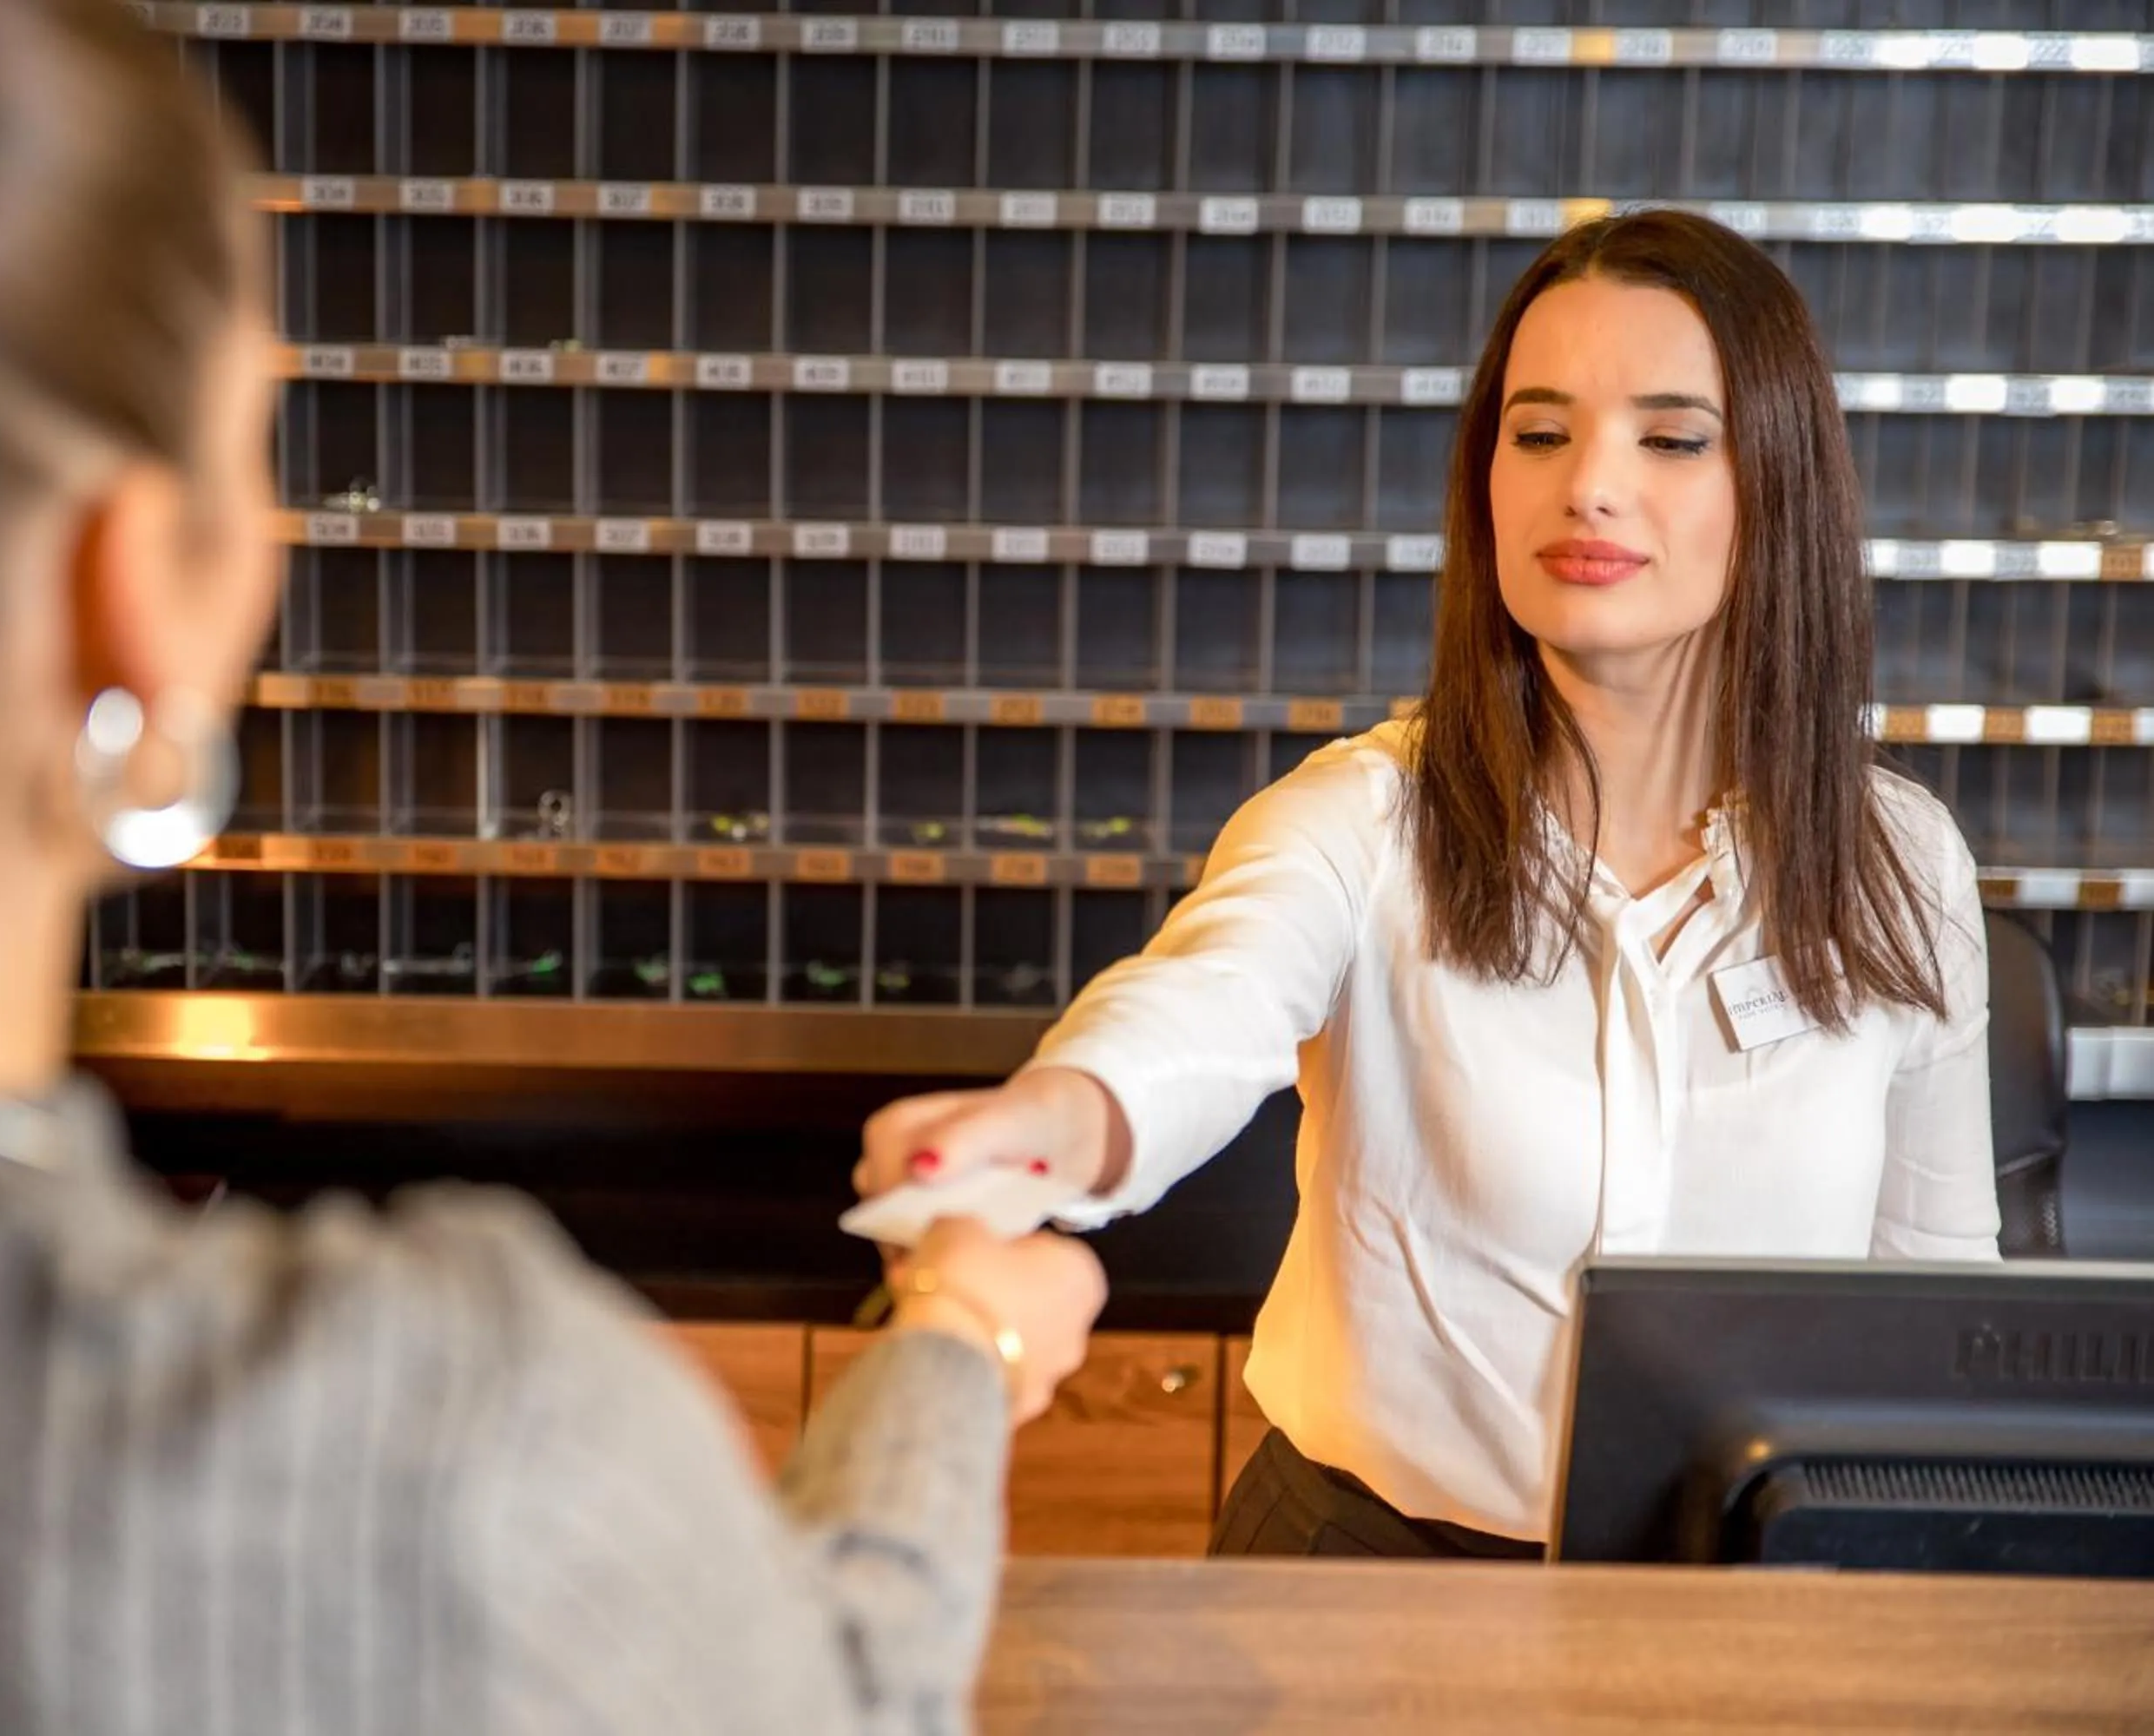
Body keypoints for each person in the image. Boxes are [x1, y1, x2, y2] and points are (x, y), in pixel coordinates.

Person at [0, 2, 1105, 1731]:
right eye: (256, 442)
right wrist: (962, 1339)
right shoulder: (429, 1443)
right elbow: (846, 1699)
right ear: (125, 589)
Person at [857, 210, 2000, 1561]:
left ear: (1782, 483)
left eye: (1671, 437)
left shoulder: (1901, 862)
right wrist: (1048, 1120)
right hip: (1368, 1577)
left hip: (1759, 1600)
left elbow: (1942, 1313)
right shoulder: (1363, 818)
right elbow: (1195, 1011)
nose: (1590, 485)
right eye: (1541, 432)